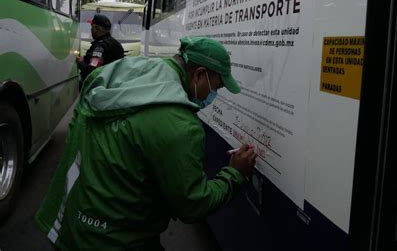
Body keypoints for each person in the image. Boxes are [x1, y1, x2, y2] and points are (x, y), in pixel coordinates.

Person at [35, 36, 257, 250]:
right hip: (118, 241)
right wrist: (234, 173)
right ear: (199, 74)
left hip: (68, 223)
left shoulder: (120, 73)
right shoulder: (181, 125)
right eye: (215, 88)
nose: (213, 95)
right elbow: (194, 205)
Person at [76, 14, 124, 85]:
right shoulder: (116, 44)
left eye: (92, 27)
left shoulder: (100, 47)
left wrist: (80, 63)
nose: (91, 29)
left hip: (100, 88)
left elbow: (92, 72)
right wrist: (86, 58)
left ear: (97, 29)